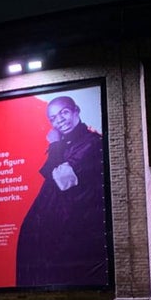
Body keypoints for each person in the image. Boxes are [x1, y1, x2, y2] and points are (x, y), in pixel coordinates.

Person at [17, 95, 107, 287]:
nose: (59, 120)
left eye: (64, 112)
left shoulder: (91, 142)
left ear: (76, 111)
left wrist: (54, 144)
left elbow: (63, 180)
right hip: (53, 236)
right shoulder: (68, 143)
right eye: (53, 118)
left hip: (72, 234)